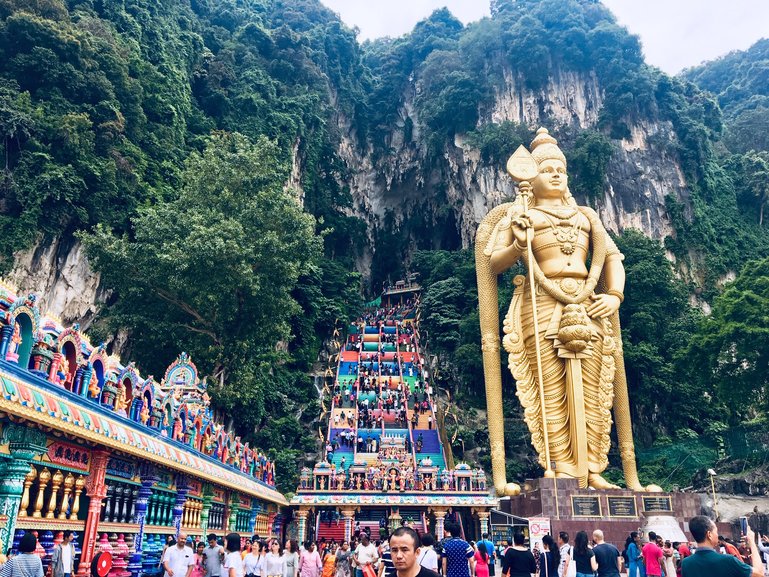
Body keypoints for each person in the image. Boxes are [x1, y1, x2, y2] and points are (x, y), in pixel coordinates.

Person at [478, 127, 648, 493]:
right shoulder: (520, 215)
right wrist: (518, 245)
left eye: (561, 169)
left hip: (588, 302)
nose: (555, 174)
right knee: (549, 388)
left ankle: (594, 469)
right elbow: (492, 263)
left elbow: (613, 258)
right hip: (540, 303)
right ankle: (561, 466)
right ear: (530, 177)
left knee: (594, 387)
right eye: (547, 169)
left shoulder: (587, 216)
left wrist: (614, 295)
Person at [681, 515, 763, 576]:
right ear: (709, 534)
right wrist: (752, 541)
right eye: (716, 531)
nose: (717, 535)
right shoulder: (728, 560)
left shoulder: (686, 564)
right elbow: (759, 574)